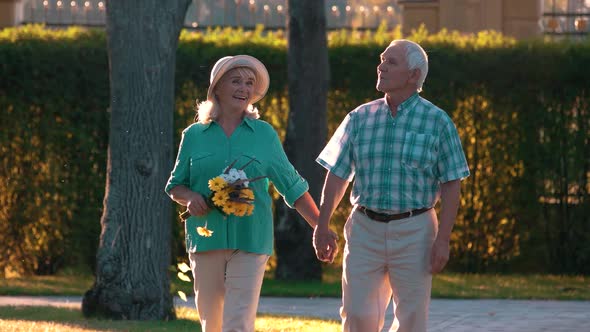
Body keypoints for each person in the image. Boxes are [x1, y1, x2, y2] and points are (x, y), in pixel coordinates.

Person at [165, 55, 335, 332]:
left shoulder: (264, 135)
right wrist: (190, 197)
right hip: (206, 237)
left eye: (248, 83)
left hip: (252, 240)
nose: (243, 88)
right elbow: (175, 185)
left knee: (238, 322)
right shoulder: (194, 135)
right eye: (235, 81)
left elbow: (291, 185)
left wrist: (321, 227)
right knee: (212, 323)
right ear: (217, 88)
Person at [313, 39, 470, 332]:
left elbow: (452, 184)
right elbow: (337, 176)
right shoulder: (358, 118)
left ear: (414, 75)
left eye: (391, 62)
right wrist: (322, 225)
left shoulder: (438, 122)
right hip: (364, 229)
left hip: (416, 230)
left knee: (411, 319)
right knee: (357, 315)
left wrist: (443, 239)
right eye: (382, 59)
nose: (381, 66)